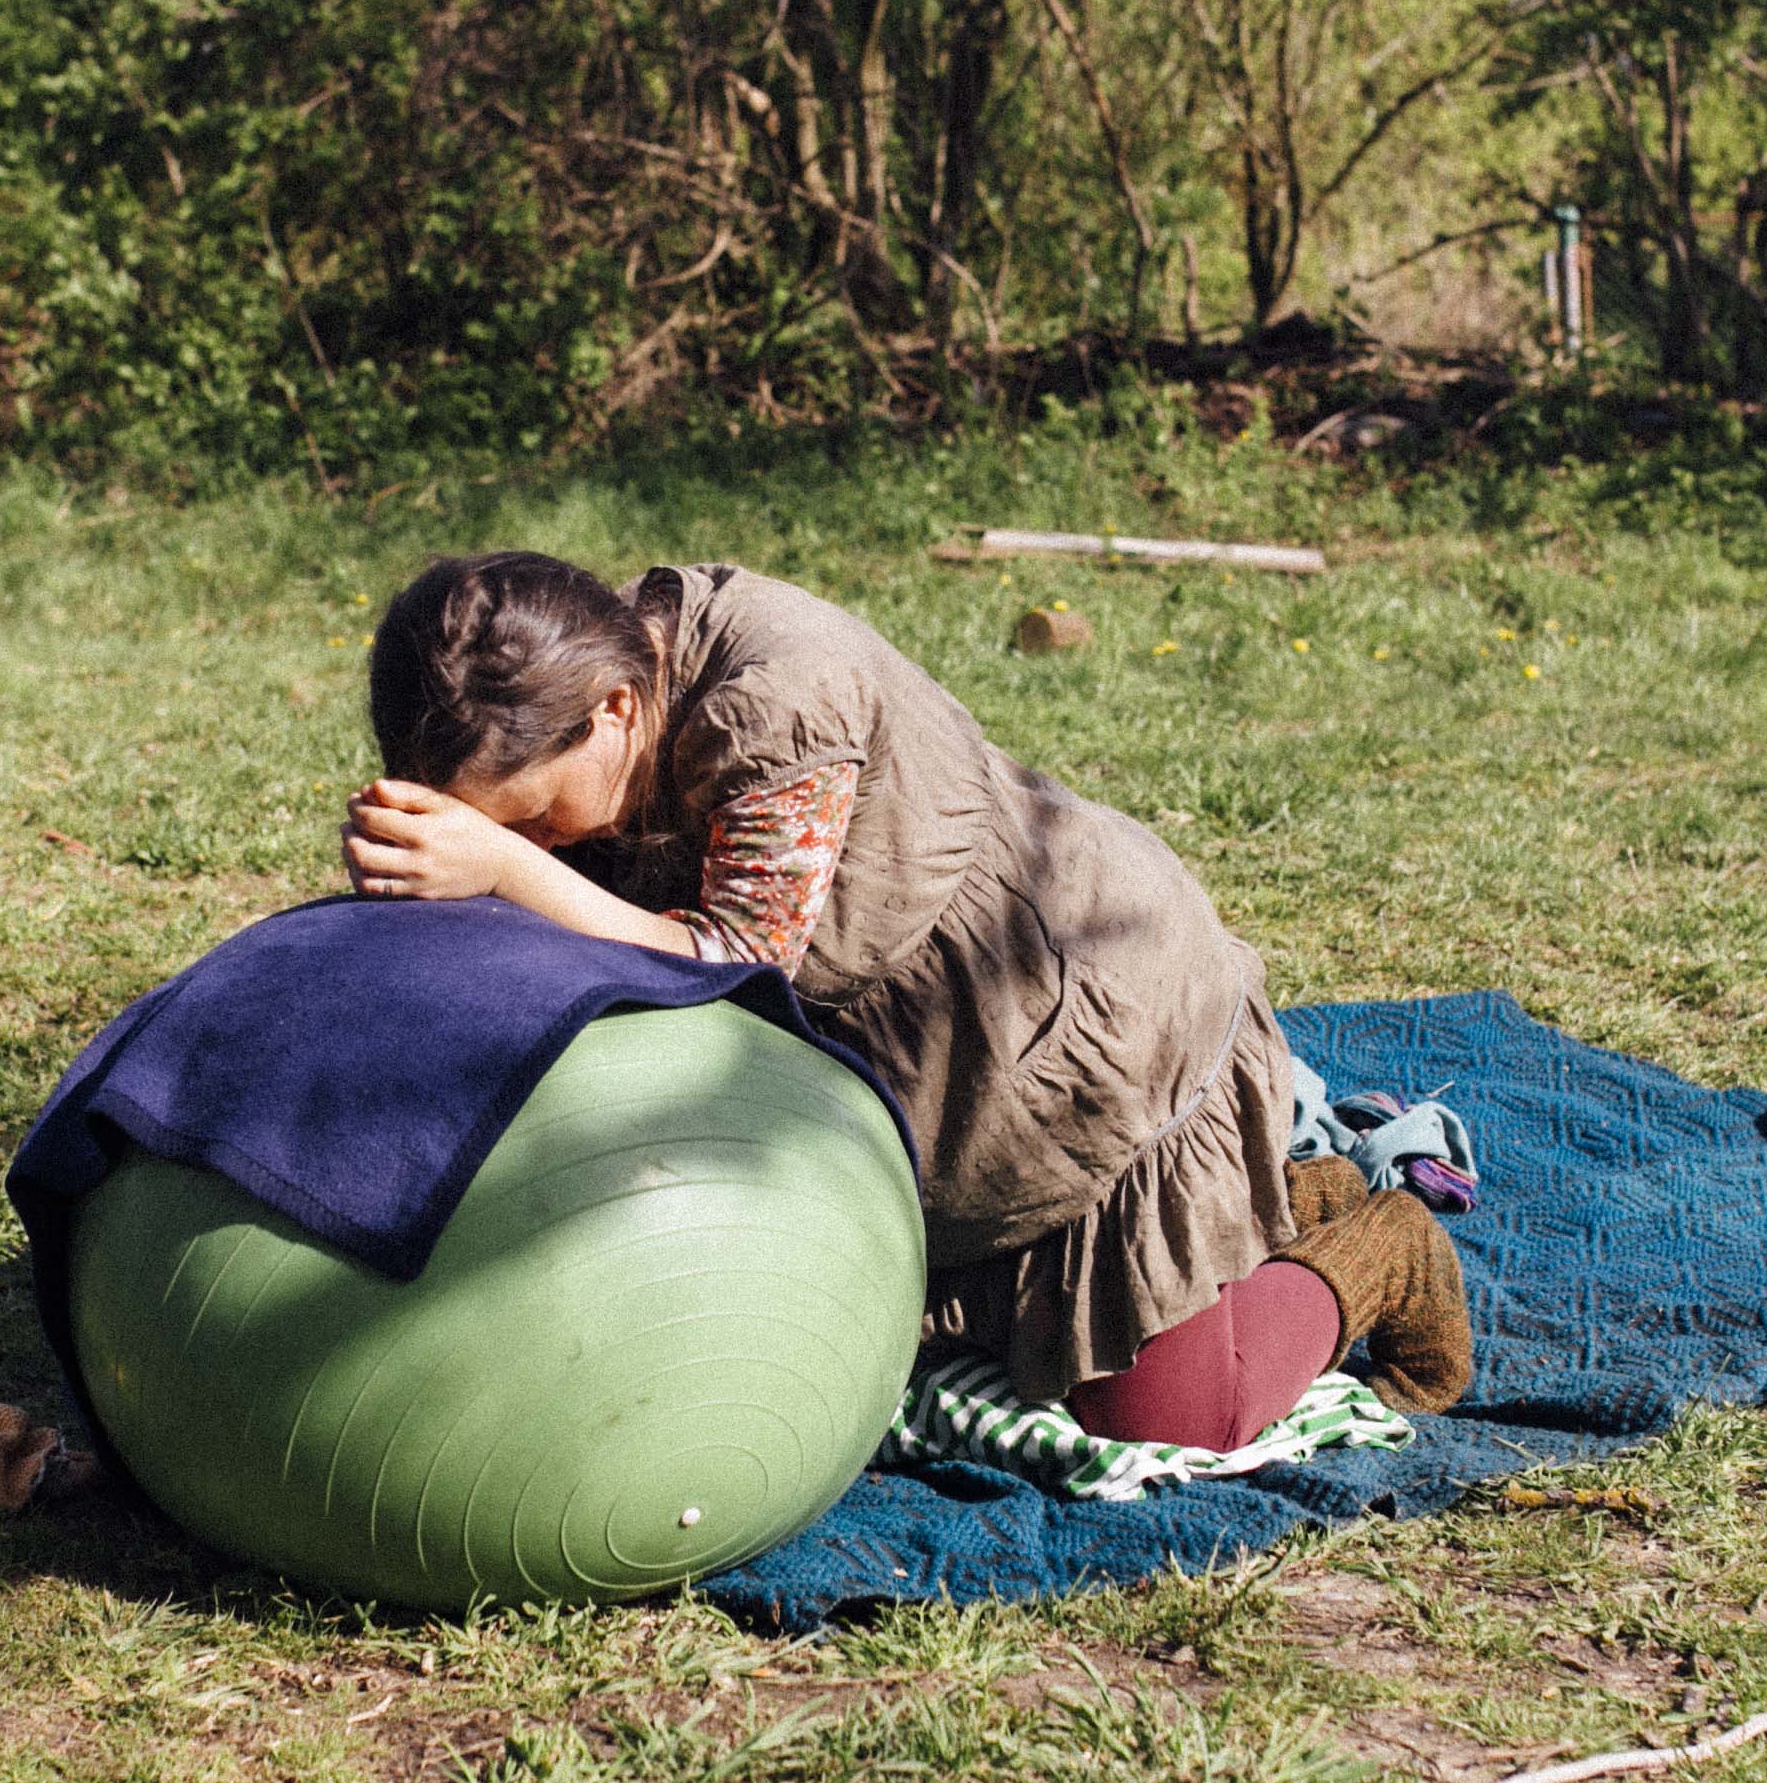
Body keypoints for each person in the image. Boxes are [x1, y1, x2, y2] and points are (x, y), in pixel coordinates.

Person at [341, 551, 1470, 1450]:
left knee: (1173, 1414)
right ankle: (1291, 1196)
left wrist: (510, 870)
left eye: (539, 818)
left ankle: (1381, 1244)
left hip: (1082, 1039)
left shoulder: (781, 701)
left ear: (617, 709)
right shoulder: (545, 679)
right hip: (925, 1073)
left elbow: (740, 958)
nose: (539, 848)